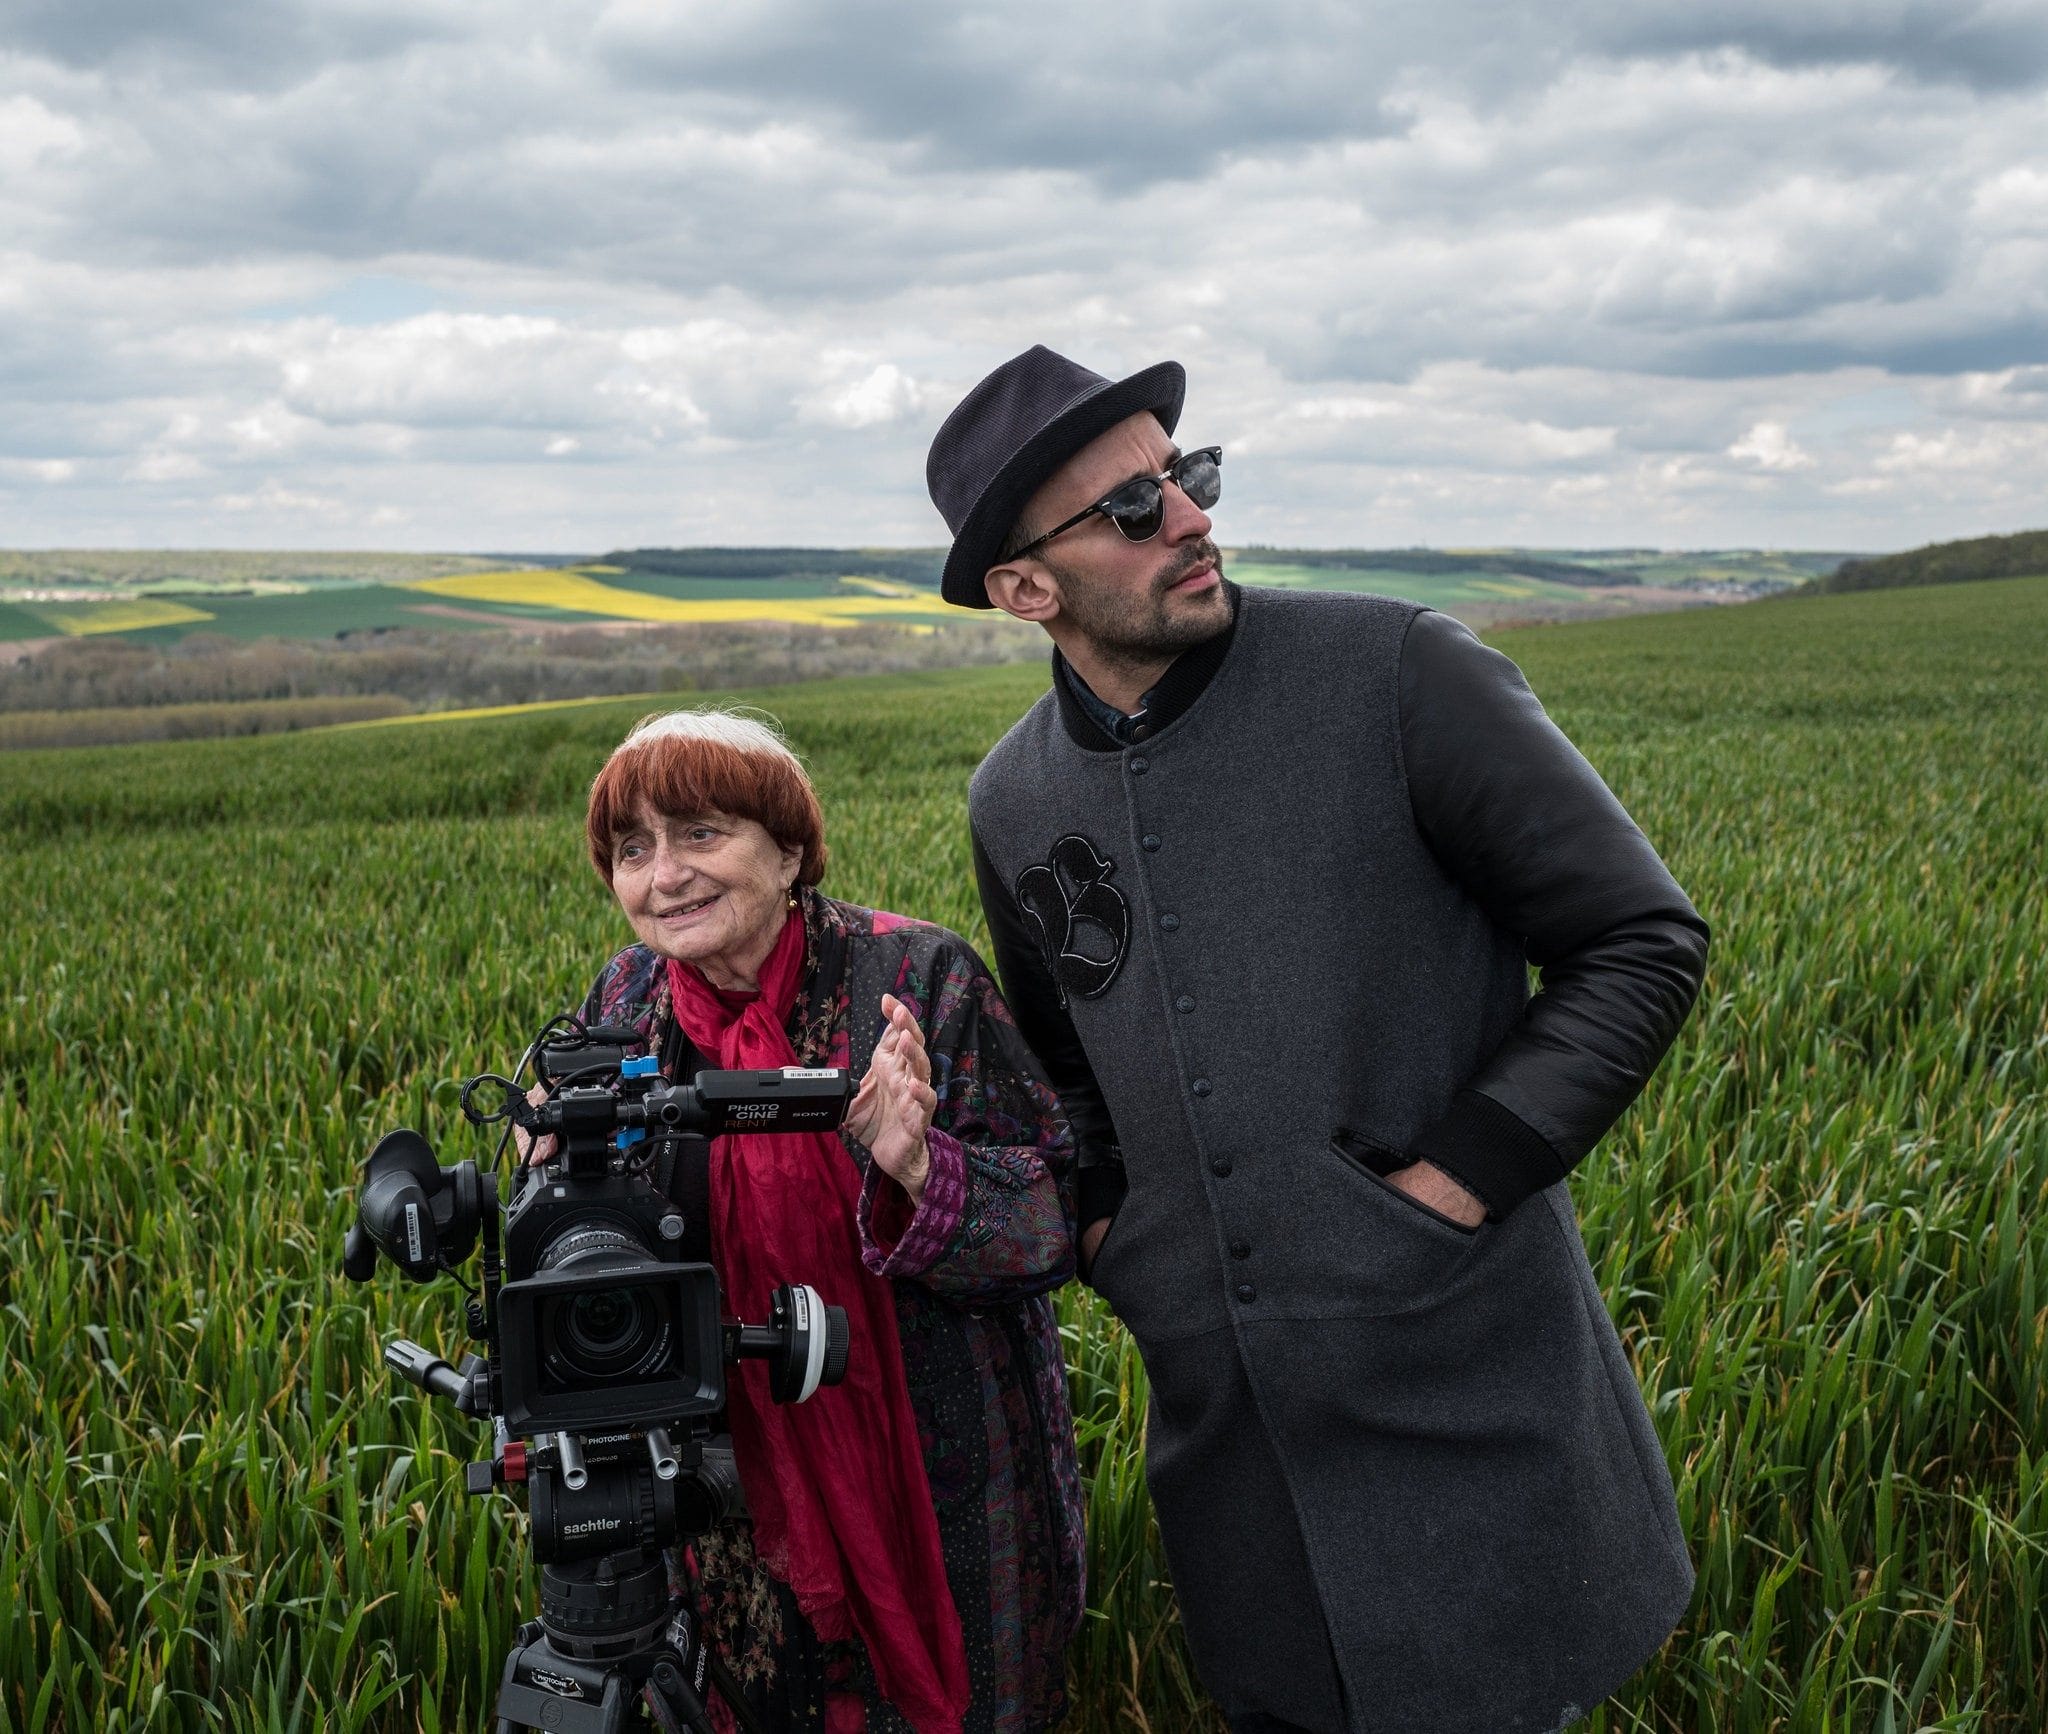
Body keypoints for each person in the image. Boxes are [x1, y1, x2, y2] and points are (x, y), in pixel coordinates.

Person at [925, 346, 1710, 1734]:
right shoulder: (1013, 799)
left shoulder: (1398, 669)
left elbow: (1639, 939)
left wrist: (1449, 1186)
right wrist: (1117, 1238)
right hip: (1234, 1453)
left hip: (1467, 1378)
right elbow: (1067, 1078)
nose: (1189, 517)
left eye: (1187, 475)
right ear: (1025, 589)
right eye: (1132, 508)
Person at [520, 708, 1083, 1734]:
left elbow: (1052, 1218)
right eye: (633, 850)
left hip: (938, 1475)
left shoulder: (917, 980)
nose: (665, 876)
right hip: (725, 1481)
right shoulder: (625, 1001)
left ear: (788, 851)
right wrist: (550, 1178)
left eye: (700, 833)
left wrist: (921, 1168)